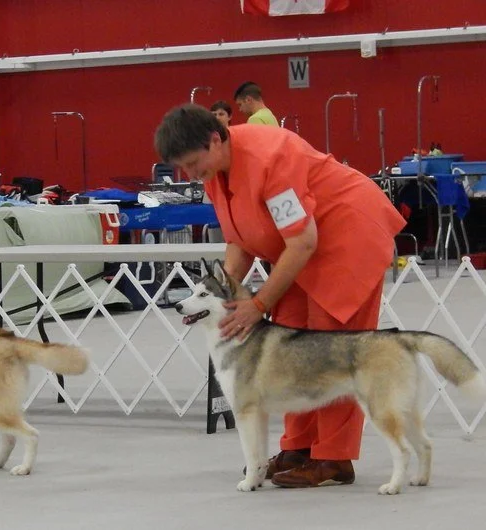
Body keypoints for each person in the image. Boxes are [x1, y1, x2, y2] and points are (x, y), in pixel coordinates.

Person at [154, 104, 406, 488]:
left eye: (192, 163)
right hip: (298, 250)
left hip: (345, 237)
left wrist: (258, 305)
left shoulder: (270, 158)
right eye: (183, 168)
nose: (190, 174)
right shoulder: (214, 169)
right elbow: (239, 239)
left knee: (331, 349)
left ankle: (334, 459)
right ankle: (298, 448)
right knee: (288, 340)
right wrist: (226, 293)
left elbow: (303, 240)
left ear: (215, 139)